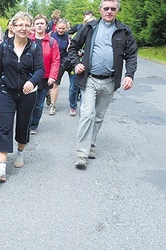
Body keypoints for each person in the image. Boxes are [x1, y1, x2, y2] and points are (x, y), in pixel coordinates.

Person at [69, 0, 137, 169]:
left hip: (109, 80)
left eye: (113, 9)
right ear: (100, 10)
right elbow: (73, 47)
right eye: (106, 8)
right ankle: (81, 153)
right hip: (89, 78)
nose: (109, 11)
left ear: (117, 11)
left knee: (99, 116)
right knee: (87, 114)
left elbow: (131, 55)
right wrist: (76, 63)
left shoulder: (124, 30)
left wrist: (129, 75)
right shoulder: (90, 27)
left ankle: (91, 143)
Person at [0, 12, 44, 182]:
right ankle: (2, 168)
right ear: (12, 27)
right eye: (20, 25)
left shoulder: (34, 48)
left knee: (22, 126)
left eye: (26, 25)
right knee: (4, 127)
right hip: (6, 92)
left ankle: (20, 153)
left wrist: (32, 81)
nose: (23, 28)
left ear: (30, 28)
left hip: (28, 94)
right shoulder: (4, 47)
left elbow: (41, 69)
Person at [29, 14, 60, 134]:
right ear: (34, 25)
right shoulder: (28, 40)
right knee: (27, 103)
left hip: (44, 77)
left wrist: (53, 76)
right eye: (37, 23)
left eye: (42, 23)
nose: (40, 25)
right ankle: (25, 123)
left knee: (38, 104)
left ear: (46, 25)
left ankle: (33, 125)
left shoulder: (52, 42)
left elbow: (56, 61)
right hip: (29, 76)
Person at [51, 19, 79, 116]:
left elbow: (73, 50)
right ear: (56, 27)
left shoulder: (69, 38)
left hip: (69, 63)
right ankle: (52, 105)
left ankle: (73, 106)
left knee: (73, 86)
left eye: (63, 28)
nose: (61, 30)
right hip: (58, 63)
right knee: (54, 85)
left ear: (66, 28)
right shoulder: (51, 36)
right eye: (59, 28)